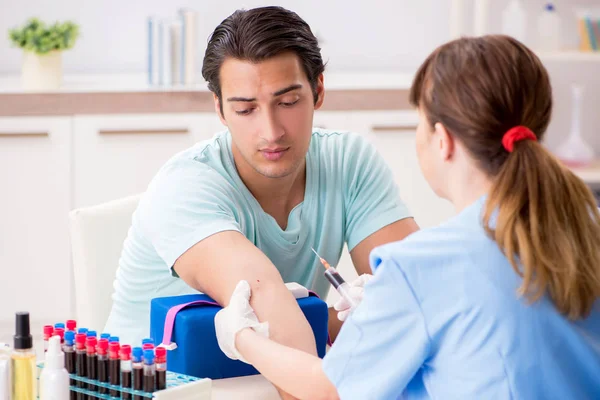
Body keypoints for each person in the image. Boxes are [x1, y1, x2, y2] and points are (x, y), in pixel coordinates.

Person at [214, 35, 600, 399]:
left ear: (442, 140)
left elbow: (331, 389)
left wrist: (245, 337)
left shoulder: (424, 265)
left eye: (419, 120)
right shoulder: (586, 226)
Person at [104, 4, 417, 377]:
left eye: (287, 103)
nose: (271, 131)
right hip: (157, 387)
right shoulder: (185, 187)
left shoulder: (347, 162)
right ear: (220, 109)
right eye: (245, 110)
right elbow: (268, 309)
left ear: (317, 90)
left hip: (259, 378)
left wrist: (360, 315)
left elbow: (416, 293)